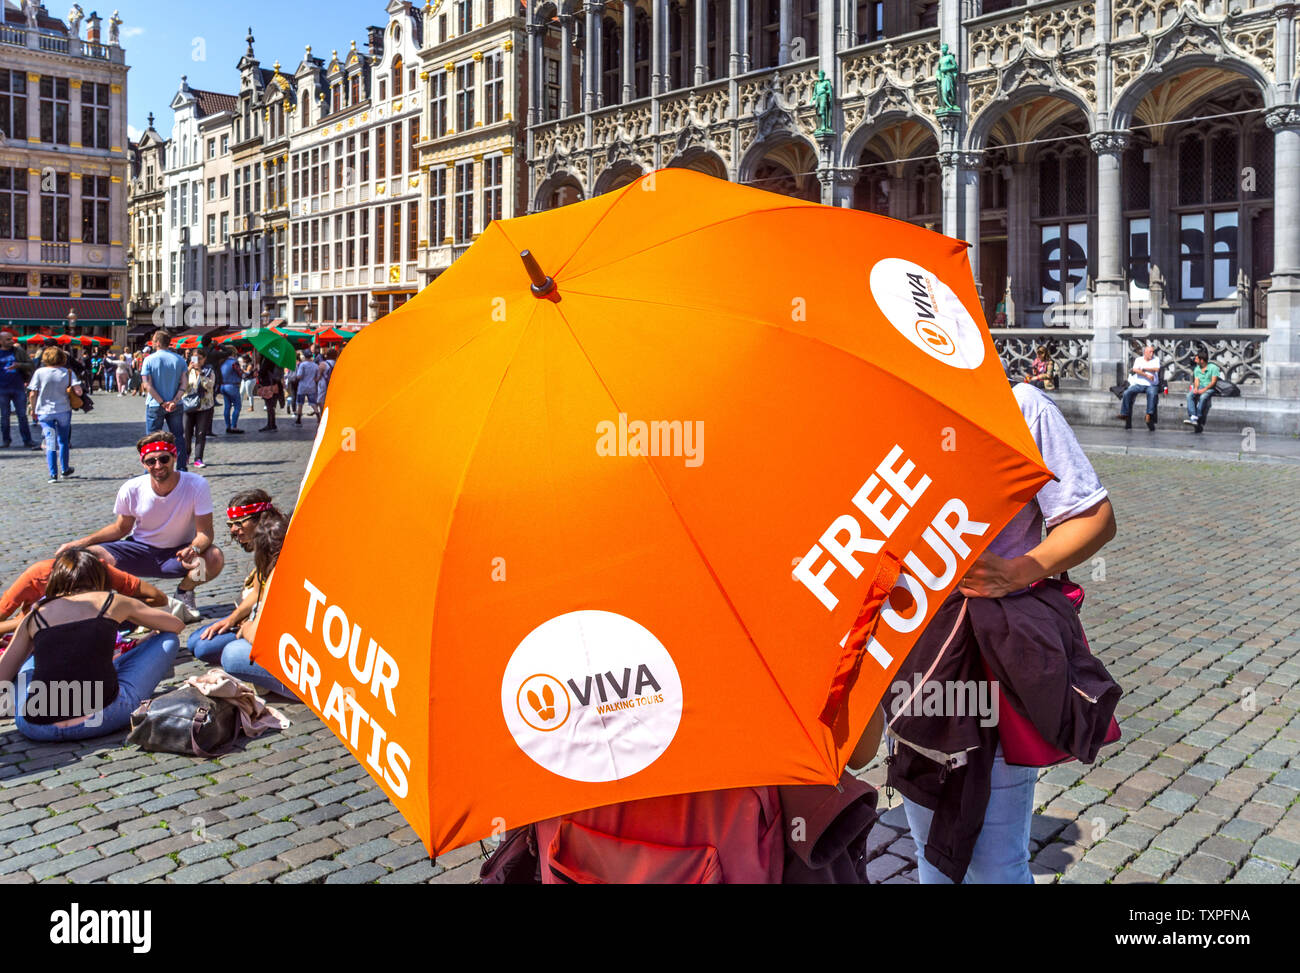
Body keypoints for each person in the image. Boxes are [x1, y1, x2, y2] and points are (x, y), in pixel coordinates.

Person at [891, 381, 1116, 883]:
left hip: (988, 663)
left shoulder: (1019, 407)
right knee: (932, 856)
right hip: (906, 661)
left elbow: (1095, 518)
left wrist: (1020, 570)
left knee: (996, 865)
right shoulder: (883, 409)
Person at [0, 548, 183, 741]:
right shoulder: (113, 601)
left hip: (36, 727)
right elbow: (175, 625)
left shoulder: (36, 615)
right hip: (100, 718)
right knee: (168, 639)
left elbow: (3, 675)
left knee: (30, 662)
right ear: (101, 578)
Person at [55, 431, 225, 614]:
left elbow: (205, 532)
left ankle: (185, 591)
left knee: (213, 557)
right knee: (89, 556)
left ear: (175, 457)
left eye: (164, 459)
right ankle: (107, 605)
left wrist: (194, 549)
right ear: (143, 463)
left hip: (178, 555)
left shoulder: (196, 485)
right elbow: (121, 528)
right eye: (151, 461)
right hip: (139, 551)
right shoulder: (132, 488)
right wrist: (78, 544)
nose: (158, 465)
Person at [189, 511, 294, 697]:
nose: (234, 530)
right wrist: (231, 619)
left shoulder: (280, 568)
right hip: (257, 621)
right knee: (195, 641)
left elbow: (257, 633)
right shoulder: (270, 562)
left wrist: (246, 627)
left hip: (268, 633)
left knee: (229, 653)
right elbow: (255, 594)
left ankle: (274, 683)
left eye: (239, 523)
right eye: (230, 524)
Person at [0, 554, 168, 638]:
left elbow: (158, 598)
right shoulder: (38, 575)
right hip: (36, 638)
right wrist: (36, 619)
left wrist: (120, 608)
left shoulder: (100, 570)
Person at [26, 346, 82, 483]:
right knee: (63, 441)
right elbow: (78, 391)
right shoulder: (68, 372)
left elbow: (33, 393)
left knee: (50, 441)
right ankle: (65, 468)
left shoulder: (40, 372)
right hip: (63, 410)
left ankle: (53, 474)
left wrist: (33, 409)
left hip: (44, 412)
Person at [142, 329, 190, 470]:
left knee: (151, 439)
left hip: (155, 405)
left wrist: (162, 402)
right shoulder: (180, 360)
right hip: (175, 405)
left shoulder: (149, 360)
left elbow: (147, 385)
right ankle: (181, 468)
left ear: (156, 343)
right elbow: (184, 383)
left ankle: (149, 469)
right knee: (178, 438)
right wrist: (174, 401)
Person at [0, 330, 37, 450]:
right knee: (4, 416)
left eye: (11, 339)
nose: (11, 341)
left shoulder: (18, 351)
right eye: (8, 339)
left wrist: (19, 365)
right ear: (1, 341)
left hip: (18, 387)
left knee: (22, 415)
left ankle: (27, 440)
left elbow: (31, 365)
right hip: (2, 389)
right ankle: (6, 440)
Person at [182, 349, 217, 469]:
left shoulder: (208, 371)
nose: (196, 361)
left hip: (204, 406)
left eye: (199, 358)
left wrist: (200, 372)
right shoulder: (186, 371)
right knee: (186, 433)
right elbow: (180, 384)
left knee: (200, 433)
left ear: (204, 359)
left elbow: (210, 386)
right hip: (188, 405)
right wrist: (187, 370)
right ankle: (186, 455)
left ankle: (198, 458)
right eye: (194, 358)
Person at [1116, 343, 1161, 431]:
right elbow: (1135, 369)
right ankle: (1124, 414)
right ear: (1145, 352)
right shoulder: (1139, 359)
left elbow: (1156, 369)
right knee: (1127, 393)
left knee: (1152, 394)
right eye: (1150, 352)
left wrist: (1144, 369)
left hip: (1151, 385)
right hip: (1139, 384)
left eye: (1152, 352)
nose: (1152, 354)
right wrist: (1147, 375)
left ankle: (1149, 415)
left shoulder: (1156, 359)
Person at [1184, 348, 1220, 433]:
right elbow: (1196, 380)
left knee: (1203, 397)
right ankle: (1193, 416)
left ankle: (1198, 416)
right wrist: (1196, 388)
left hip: (1209, 388)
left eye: (1197, 359)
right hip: (1200, 386)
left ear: (1202, 360)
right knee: (1189, 395)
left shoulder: (1213, 368)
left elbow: (1213, 382)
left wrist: (1204, 390)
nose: (1195, 360)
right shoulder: (1197, 368)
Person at [219, 347, 246, 434]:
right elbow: (240, 373)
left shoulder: (222, 362)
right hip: (232, 386)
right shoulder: (234, 362)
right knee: (237, 406)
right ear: (233, 353)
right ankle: (234, 426)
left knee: (227, 407)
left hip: (223, 386)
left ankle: (228, 426)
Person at [292, 350, 320, 424]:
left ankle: (298, 420)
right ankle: (318, 416)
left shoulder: (302, 365)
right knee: (313, 403)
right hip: (312, 386)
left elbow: (299, 376)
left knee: (300, 403)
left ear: (304, 356)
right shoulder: (315, 365)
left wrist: (296, 378)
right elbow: (317, 378)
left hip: (302, 387)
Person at [256, 353, 282, 432]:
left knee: (270, 406)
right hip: (274, 384)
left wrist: (258, 371)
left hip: (268, 384)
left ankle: (271, 425)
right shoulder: (275, 358)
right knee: (271, 406)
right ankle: (271, 424)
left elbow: (262, 371)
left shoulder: (267, 359)